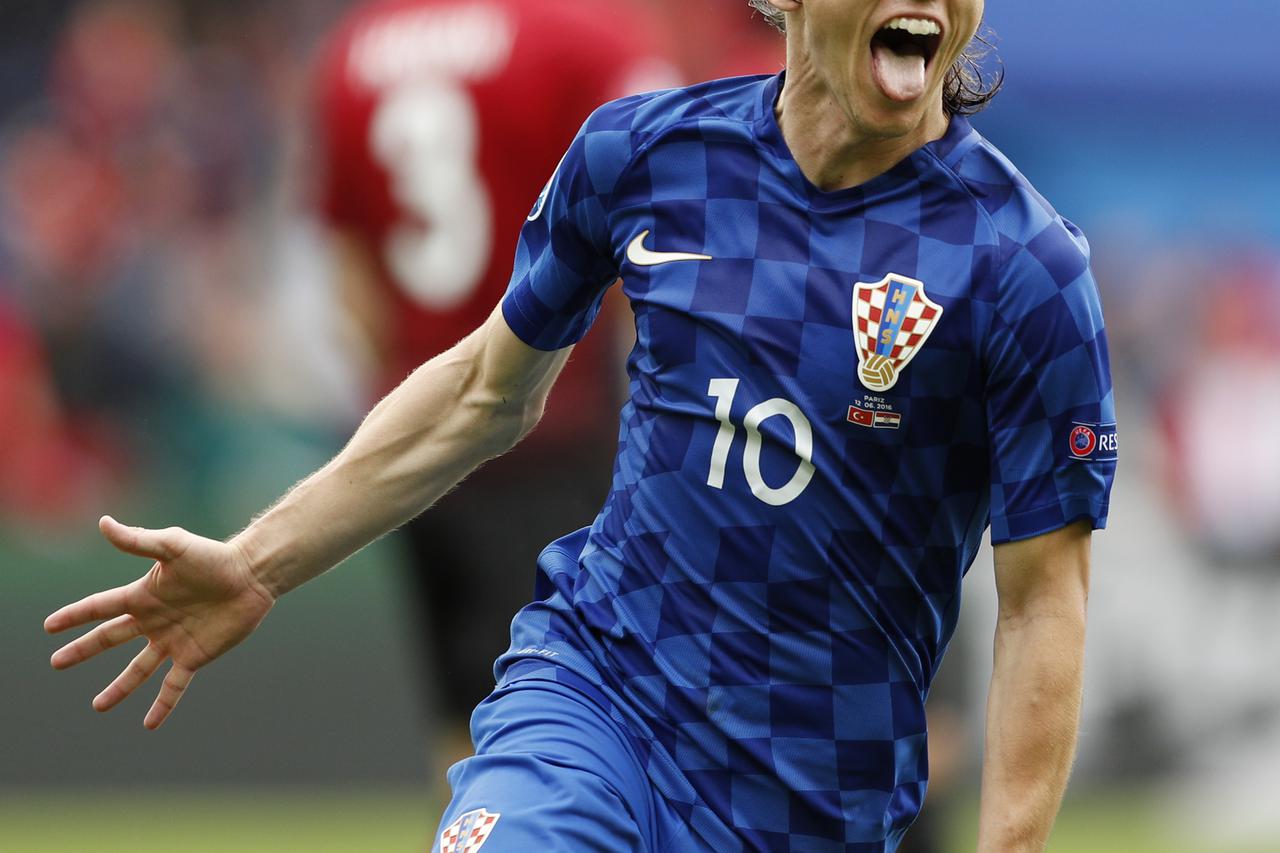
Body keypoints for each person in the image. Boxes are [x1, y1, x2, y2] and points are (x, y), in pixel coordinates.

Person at [46, 0, 1117, 850]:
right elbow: (481, 392)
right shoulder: (646, 155)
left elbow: (1040, 606)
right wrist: (257, 561)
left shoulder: (1021, 267)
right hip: (594, 699)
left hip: (808, 797)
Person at [308, 0, 679, 772]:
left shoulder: (352, 53)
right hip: (555, 433)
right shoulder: (582, 38)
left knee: (467, 730)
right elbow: (677, 218)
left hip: (414, 441)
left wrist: (408, 404)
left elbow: (350, 281)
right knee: (581, 740)